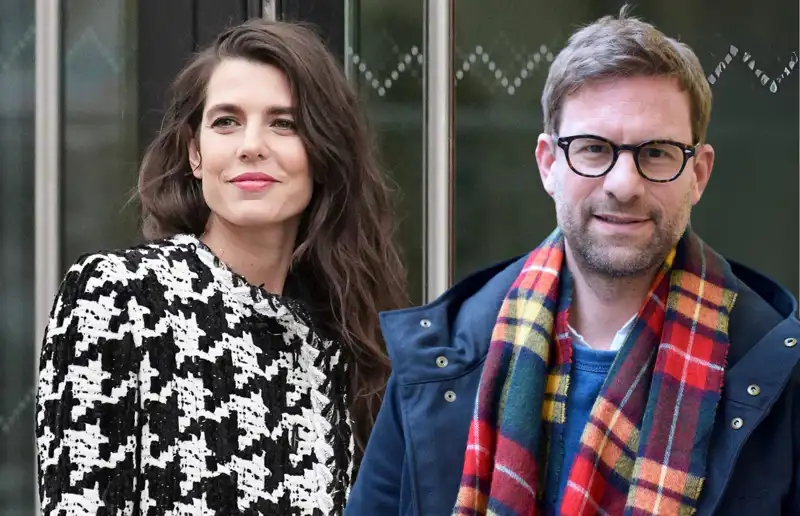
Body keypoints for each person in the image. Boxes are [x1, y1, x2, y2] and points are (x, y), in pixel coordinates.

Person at [345, 6, 799, 516]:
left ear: (699, 173)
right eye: (592, 148)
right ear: (548, 164)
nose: (623, 184)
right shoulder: (439, 359)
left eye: (656, 153)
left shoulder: (779, 372)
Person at [35, 19, 408, 516]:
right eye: (226, 121)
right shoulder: (118, 296)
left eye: (284, 123)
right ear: (195, 153)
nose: (251, 144)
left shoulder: (344, 344)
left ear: (322, 155)